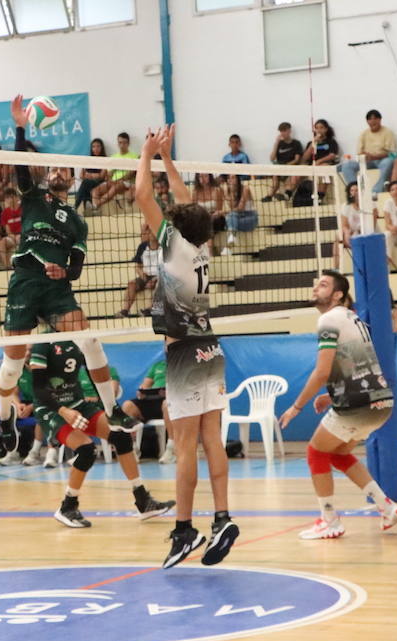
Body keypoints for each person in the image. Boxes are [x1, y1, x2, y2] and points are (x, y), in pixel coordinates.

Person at [0, 95, 138, 465]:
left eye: (64, 171)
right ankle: (5, 415)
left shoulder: (78, 222)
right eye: (54, 169)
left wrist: (64, 272)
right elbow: (21, 168)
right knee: (12, 363)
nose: (58, 172)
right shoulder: (33, 197)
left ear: (72, 180)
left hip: (57, 289)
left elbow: (76, 267)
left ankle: (113, 407)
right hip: (25, 281)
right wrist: (20, 126)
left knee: (89, 339)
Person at [135, 125, 238, 569]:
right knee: (211, 437)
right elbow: (182, 199)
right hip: (209, 348)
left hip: (183, 354)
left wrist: (145, 153)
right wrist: (168, 158)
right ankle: (222, 517)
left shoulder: (175, 246)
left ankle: (183, 529)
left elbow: (144, 195)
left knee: (185, 443)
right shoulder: (200, 246)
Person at [278, 270, 397, 539]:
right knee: (336, 453)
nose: (315, 289)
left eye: (323, 285)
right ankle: (386, 507)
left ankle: (330, 520)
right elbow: (351, 364)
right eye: (316, 284)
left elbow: (321, 371)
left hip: (358, 404)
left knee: (315, 453)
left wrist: (296, 407)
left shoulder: (329, 319)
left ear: (338, 295)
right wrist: (333, 395)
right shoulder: (351, 317)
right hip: (379, 401)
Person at [29, 339, 175, 527]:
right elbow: (38, 389)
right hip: (51, 410)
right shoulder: (43, 343)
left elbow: (92, 373)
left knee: (121, 436)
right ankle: (67, 507)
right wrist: (63, 411)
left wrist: (105, 403)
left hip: (79, 403)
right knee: (86, 450)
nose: (80, 318)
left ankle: (143, 501)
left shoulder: (77, 340)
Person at [122, 358, 174, 463]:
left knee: (167, 404)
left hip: (171, 400)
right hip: (151, 400)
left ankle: (171, 449)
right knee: (127, 406)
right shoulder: (157, 366)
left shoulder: (181, 364)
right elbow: (146, 385)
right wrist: (142, 392)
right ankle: (132, 448)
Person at [338, 109, 397, 198]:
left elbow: (390, 153)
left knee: (388, 161)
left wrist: (374, 156)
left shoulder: (387, 132)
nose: (372, 121)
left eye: (375, 119)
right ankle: (356, 190)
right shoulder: (364, 134)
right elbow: (359, 152)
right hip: (367, 161)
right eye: (370, 119)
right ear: (367, 121)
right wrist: (365, 156)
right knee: (347, 165)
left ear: (380, 120)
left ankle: (376, 191)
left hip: (381, 160)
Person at [119, 226, 161, 317]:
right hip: (145, 275)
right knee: (131, 284)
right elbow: (138, 267)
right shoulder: (143, 247)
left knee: (159, 285)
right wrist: (143, 276)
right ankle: (125, 310)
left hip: (160, 276)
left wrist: (155, 279)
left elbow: (168, 268)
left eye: (154, 231)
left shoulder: (163, 247)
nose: (152, 234)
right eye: (150, 232)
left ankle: (150, 309)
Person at [91, 132, 138, 210]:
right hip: (114, 182)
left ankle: (96, 205)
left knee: (115, 187)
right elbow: (109, 174)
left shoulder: (135, 156)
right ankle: (95, 208)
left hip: (127, 183)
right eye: (120, 143)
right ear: (117, 143)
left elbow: (131, 174)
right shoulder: (113, 157)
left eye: (124, 143)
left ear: (128, 143)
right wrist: (110, 180)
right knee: (95, 190)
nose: (122, 145)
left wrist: (118, 179)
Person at [298, 119, 339, 200]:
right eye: (317, 128)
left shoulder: (331, 141)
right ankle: (288, 193)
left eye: (321, 127)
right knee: (297, 171)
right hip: (312, 166)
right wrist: (313, 143)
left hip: (325, 165)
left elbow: (332, 155)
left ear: (326, 129)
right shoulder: (311, 143)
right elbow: (304, 158)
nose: (319, 130)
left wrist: (319, 161)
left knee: (324, 169)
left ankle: (320, 195)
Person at [263, 122, 302, 202]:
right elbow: (272, 158)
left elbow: (297, 159)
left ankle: (286, 195)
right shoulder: (279, 144)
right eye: (281, 131)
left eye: (284, 130)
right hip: (279, 168)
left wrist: (287, 166)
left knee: (293, 177)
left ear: (289, 131)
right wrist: (276, 143)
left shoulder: (296, 143)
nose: (282, 133)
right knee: (275, 174)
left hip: (291, 167)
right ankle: (270, 195)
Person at [221, 173, 259, 255]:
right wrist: (230, 193)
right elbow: (233, 208)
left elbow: (240, 208)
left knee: (229, 218)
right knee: (230, 218)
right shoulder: (228, 191)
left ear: (238, 179)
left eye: (233, 178)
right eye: (228, 178)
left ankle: (231, 239)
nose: (230, 180)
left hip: (250, 218)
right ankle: (231, 240)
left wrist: (224, 212)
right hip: (237, 218)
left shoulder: (245, 189)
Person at [74, 138, 108, 212]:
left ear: (102, 148)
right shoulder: (88, 160)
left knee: (85, 183)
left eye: (98, 146)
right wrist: (94, 175)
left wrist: (90, 175)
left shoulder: (105, 159)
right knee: (86, 184)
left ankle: (75, 207)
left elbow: (101, 176)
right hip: (89, 183)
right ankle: (89, 208)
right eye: (93, 146)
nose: (96, 149)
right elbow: (81, 175)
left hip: (99, 183)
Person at [338, 182, 366, 265]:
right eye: (352, 190)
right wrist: (347, 233)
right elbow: (344, 225)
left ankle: (362, 263)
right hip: (351, 231)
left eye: (357, 190)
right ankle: (337, 267)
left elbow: (372, 222)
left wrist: (357, 231)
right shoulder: (345, 206)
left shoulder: (368, 203)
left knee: (358, 238)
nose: (354, 192)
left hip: (367, 230)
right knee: (338, 237)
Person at [0, 188, 22, 269]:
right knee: (1, 243)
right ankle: (8, 266)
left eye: (11, 197)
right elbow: (8, 231)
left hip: (24, 234)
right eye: (7, 198)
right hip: (12, 236)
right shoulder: (5, 213)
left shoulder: (23, 208)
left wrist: (19, 236)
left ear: (16, 197)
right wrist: (13, 237)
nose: (9, 200)